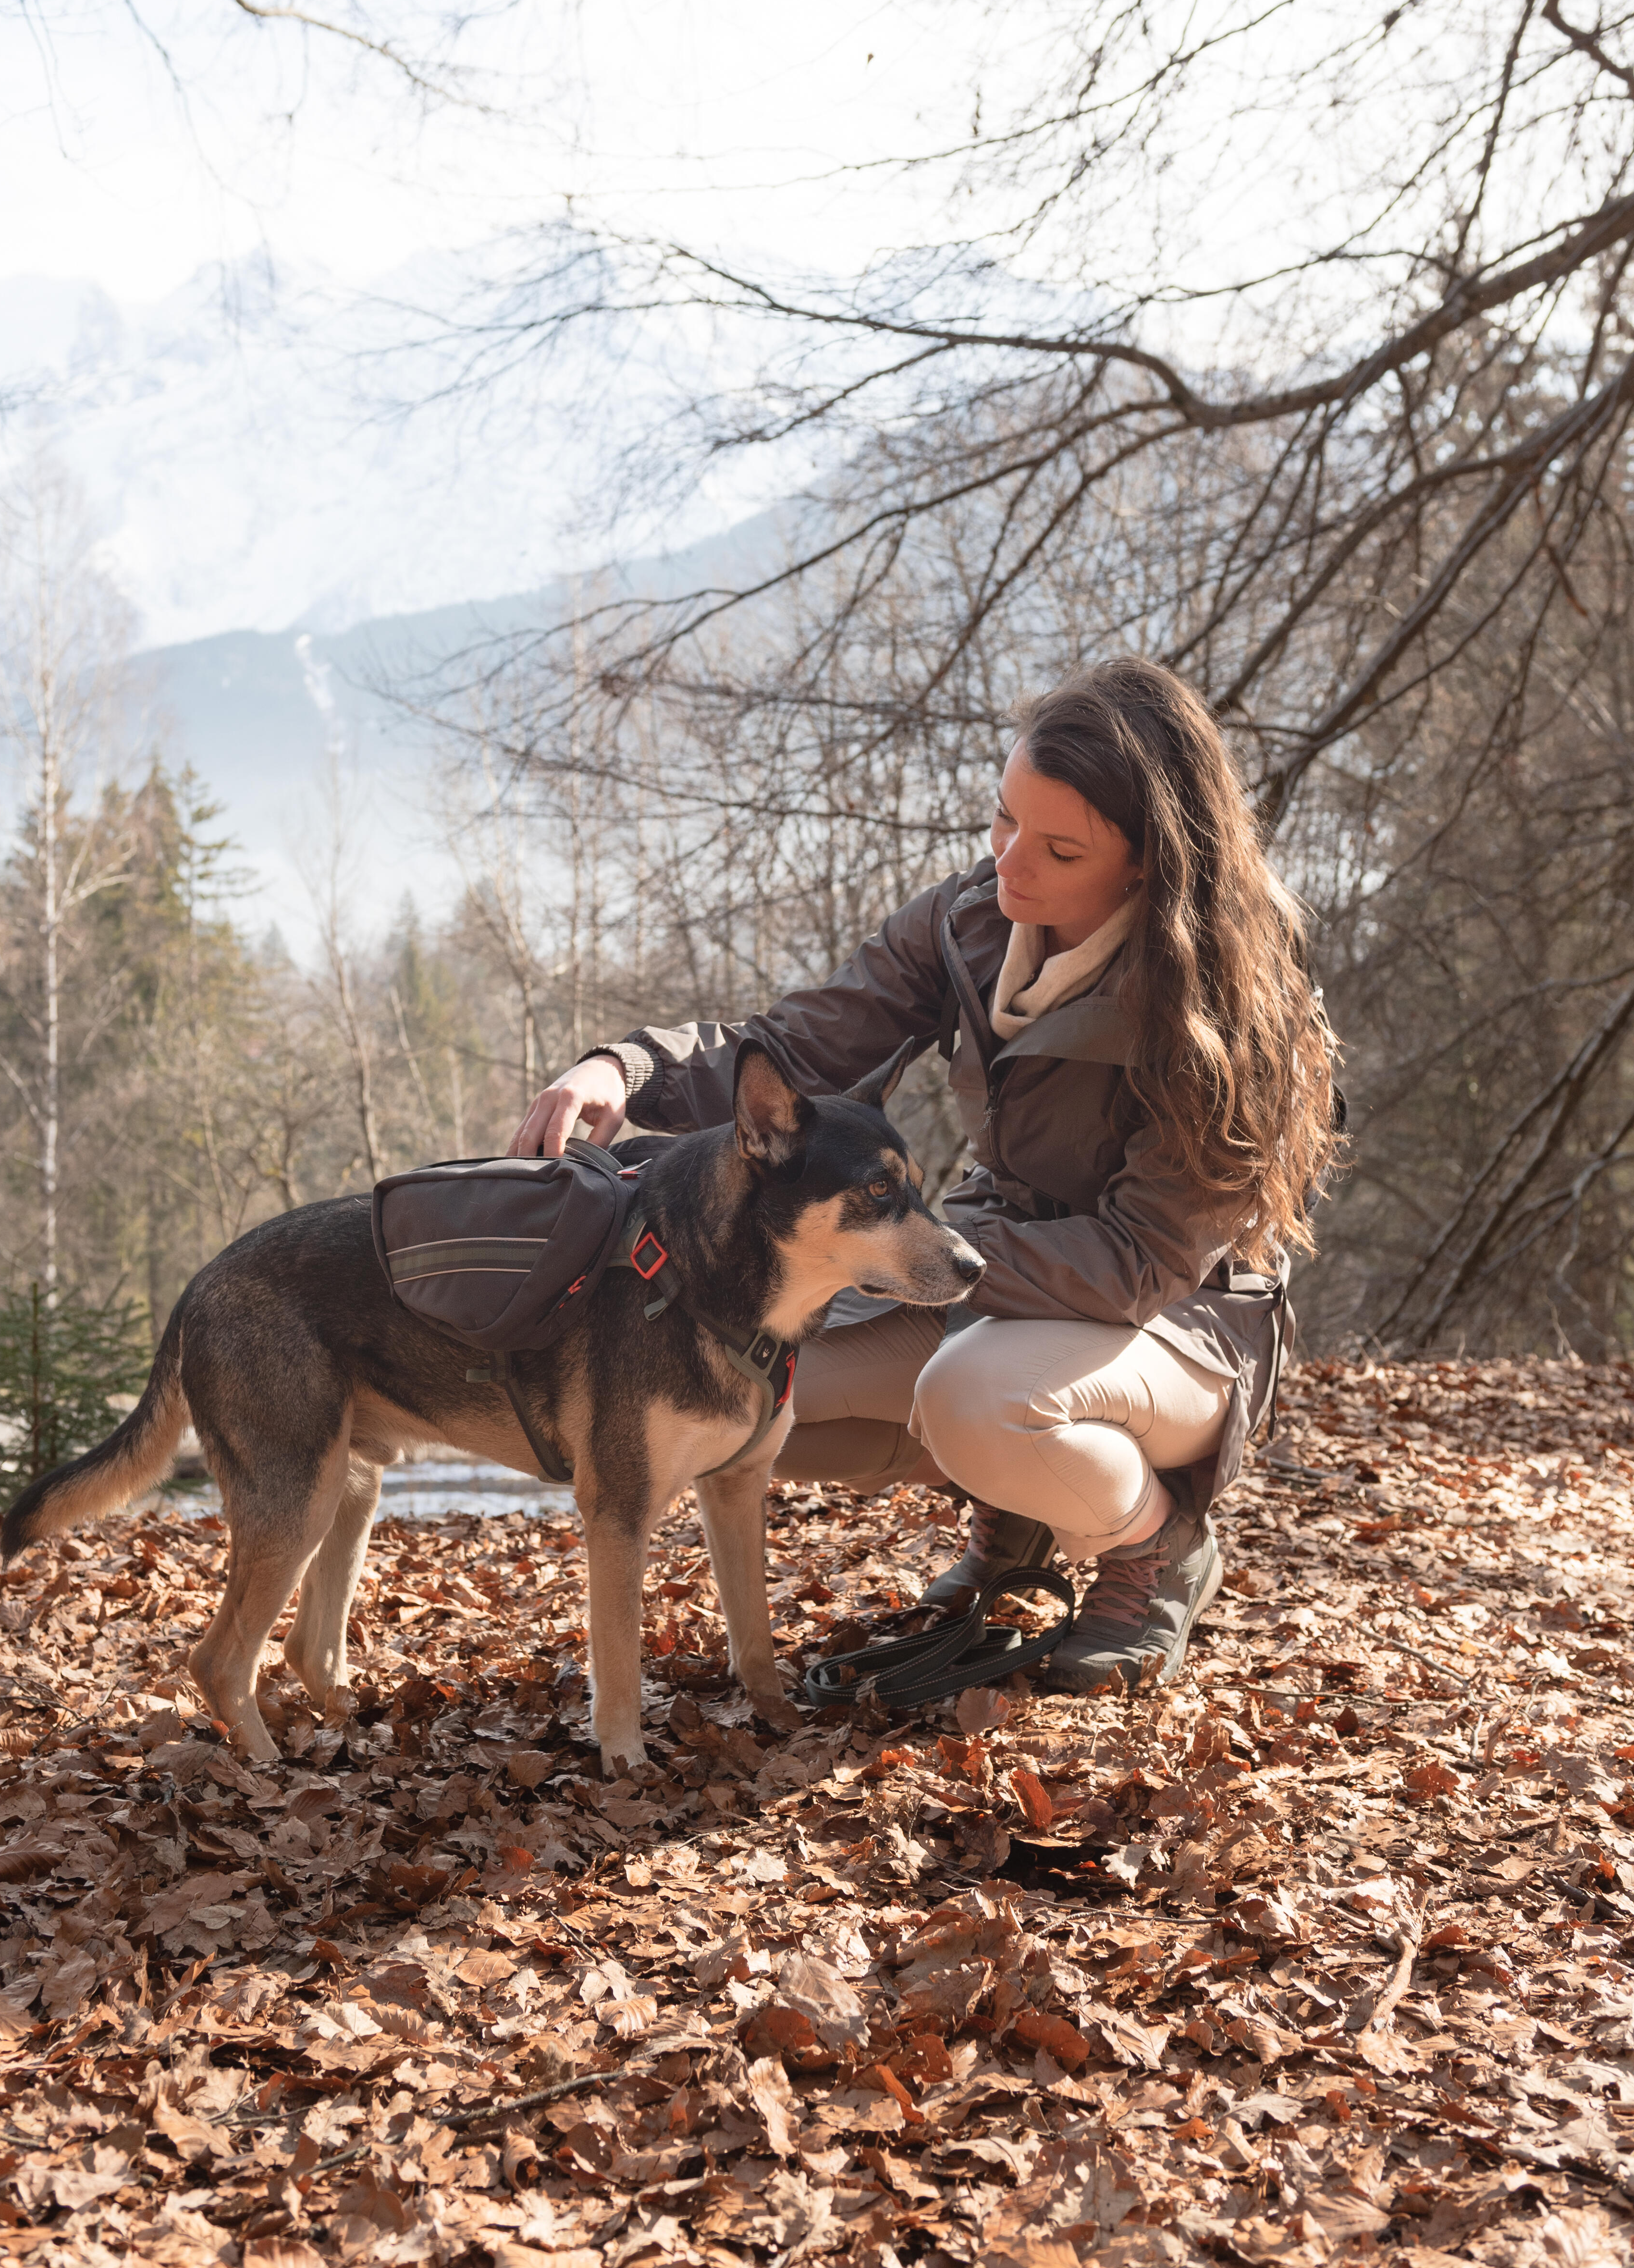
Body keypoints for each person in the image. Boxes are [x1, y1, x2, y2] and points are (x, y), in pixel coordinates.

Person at [510, 656, 1339, 1693]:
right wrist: (621, 1069)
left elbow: (1139, 1261)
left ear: (1147, 864)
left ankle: (1153, 1541)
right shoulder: (967, 922)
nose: (1009, 863)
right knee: (742, 1383)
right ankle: (1025, 1510)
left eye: (1059, 847)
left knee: (973, 1397)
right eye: (1003, 819)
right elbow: (794, 1052)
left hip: (1185, 1325)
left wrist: (914, 1256)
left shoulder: (1221, 1009)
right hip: (997, 1276)